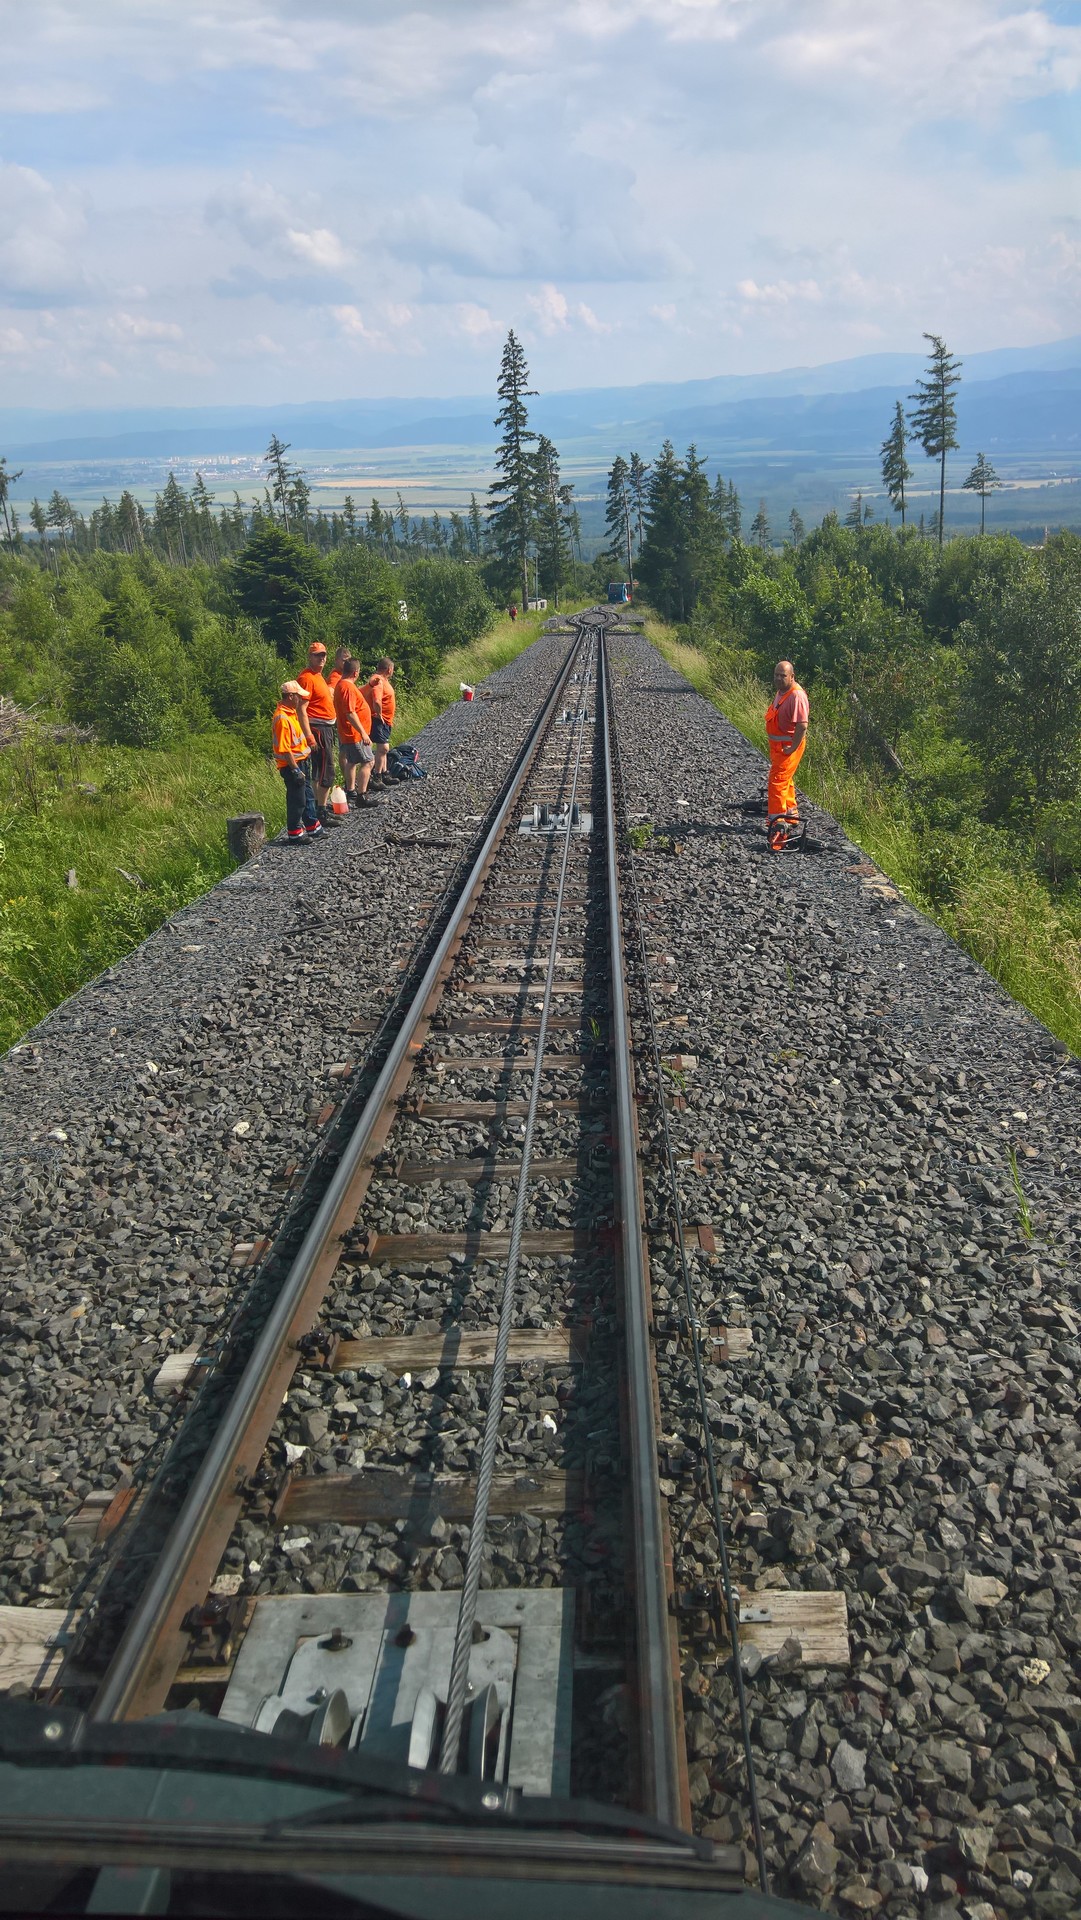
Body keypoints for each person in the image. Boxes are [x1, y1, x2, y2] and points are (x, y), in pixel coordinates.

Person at [297, 642, 345, 828]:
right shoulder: (306, 678)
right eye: (317, 655)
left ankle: (319, 809)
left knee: (319, 770)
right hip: (318, 728)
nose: (322, 658)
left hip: (323, 726)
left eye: (323, 655)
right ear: (310, 657)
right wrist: (309, 735)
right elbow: (301, 709)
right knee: (327, 769)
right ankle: (321, 812)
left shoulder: (317, 676)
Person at [765, 659, 809, 850]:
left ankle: (777, 821)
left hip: (787, 747)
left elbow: (802, 725)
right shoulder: (782, 692)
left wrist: (792, 748)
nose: (779, 678)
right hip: (778, 747)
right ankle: (791, 815)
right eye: (776, 675)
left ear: (792, 676)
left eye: (783, 675)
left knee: (777, 781)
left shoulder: (796, 695)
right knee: (785, 779)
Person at [272, 682, 324, 845]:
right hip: (292, 766)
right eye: (298, 696)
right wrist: (295, 770)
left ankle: (312, 827)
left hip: (301, 762)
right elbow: (285, 749)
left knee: (307, 796)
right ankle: (294, 833)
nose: (301, 699)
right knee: (297, 799)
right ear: (290, 696)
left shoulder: (291, 713)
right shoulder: (282, 718)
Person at [334, 658, 379, 809]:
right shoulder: (346, 687)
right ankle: (362, 796)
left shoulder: (344, 685)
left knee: (352, 761)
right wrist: (363, 733)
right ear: (356, 672)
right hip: (354, 734)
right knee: (368, 761)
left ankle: (351, 790)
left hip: (349, 733)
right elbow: (350, 712)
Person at [363, 656, 396, 789]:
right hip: (378, 720)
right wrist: (379, 713)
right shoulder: (378, 681)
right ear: (389, 669)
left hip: (386, 721)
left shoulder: (382, 680)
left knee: (383, 748)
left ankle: (384, 773)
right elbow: (376, 699)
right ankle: (377, 775)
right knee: (383, 748)